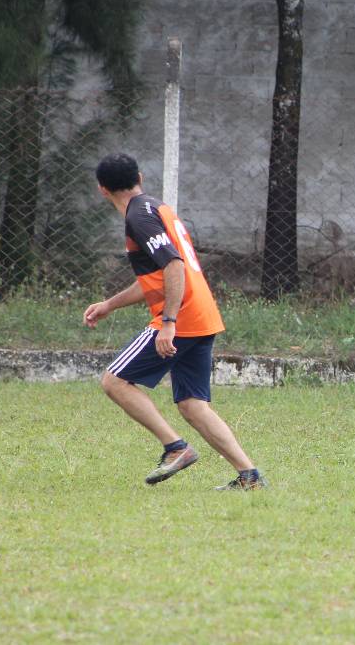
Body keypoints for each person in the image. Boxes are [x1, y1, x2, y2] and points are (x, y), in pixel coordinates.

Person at [83, 153, 266, 490]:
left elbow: (173, 266)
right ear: (140, 177)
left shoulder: (138, 216)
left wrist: (168, 322)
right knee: (193, 405)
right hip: (202, 314)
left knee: (115, 381)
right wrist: (110, 305)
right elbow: (157, 277)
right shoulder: (156, 208)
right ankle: (250, 476)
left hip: (181, 318)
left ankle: (176, 448)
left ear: (102, 189)